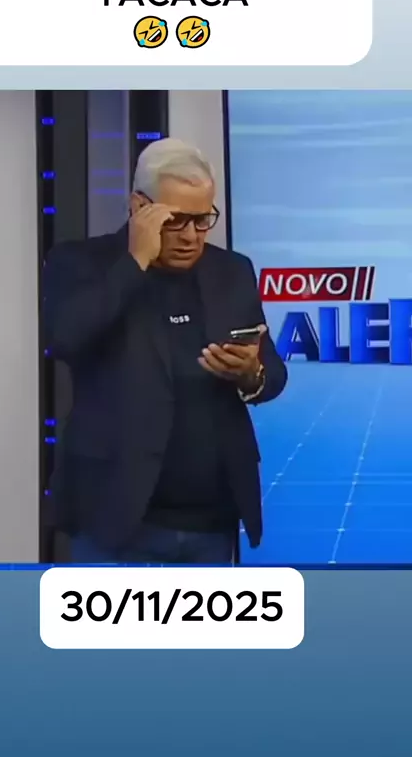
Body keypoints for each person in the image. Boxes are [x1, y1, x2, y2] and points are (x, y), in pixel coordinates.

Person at [44, 138, 287, 564]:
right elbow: (65, 338)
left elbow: (273, 374)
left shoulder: (232, 271)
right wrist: (135, 261)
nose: (191, 236)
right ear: (139, 207)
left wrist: (251, 372)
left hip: (212, 520)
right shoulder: (80, 262)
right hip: (114, 518)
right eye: (175, 220)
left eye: (203, 220)